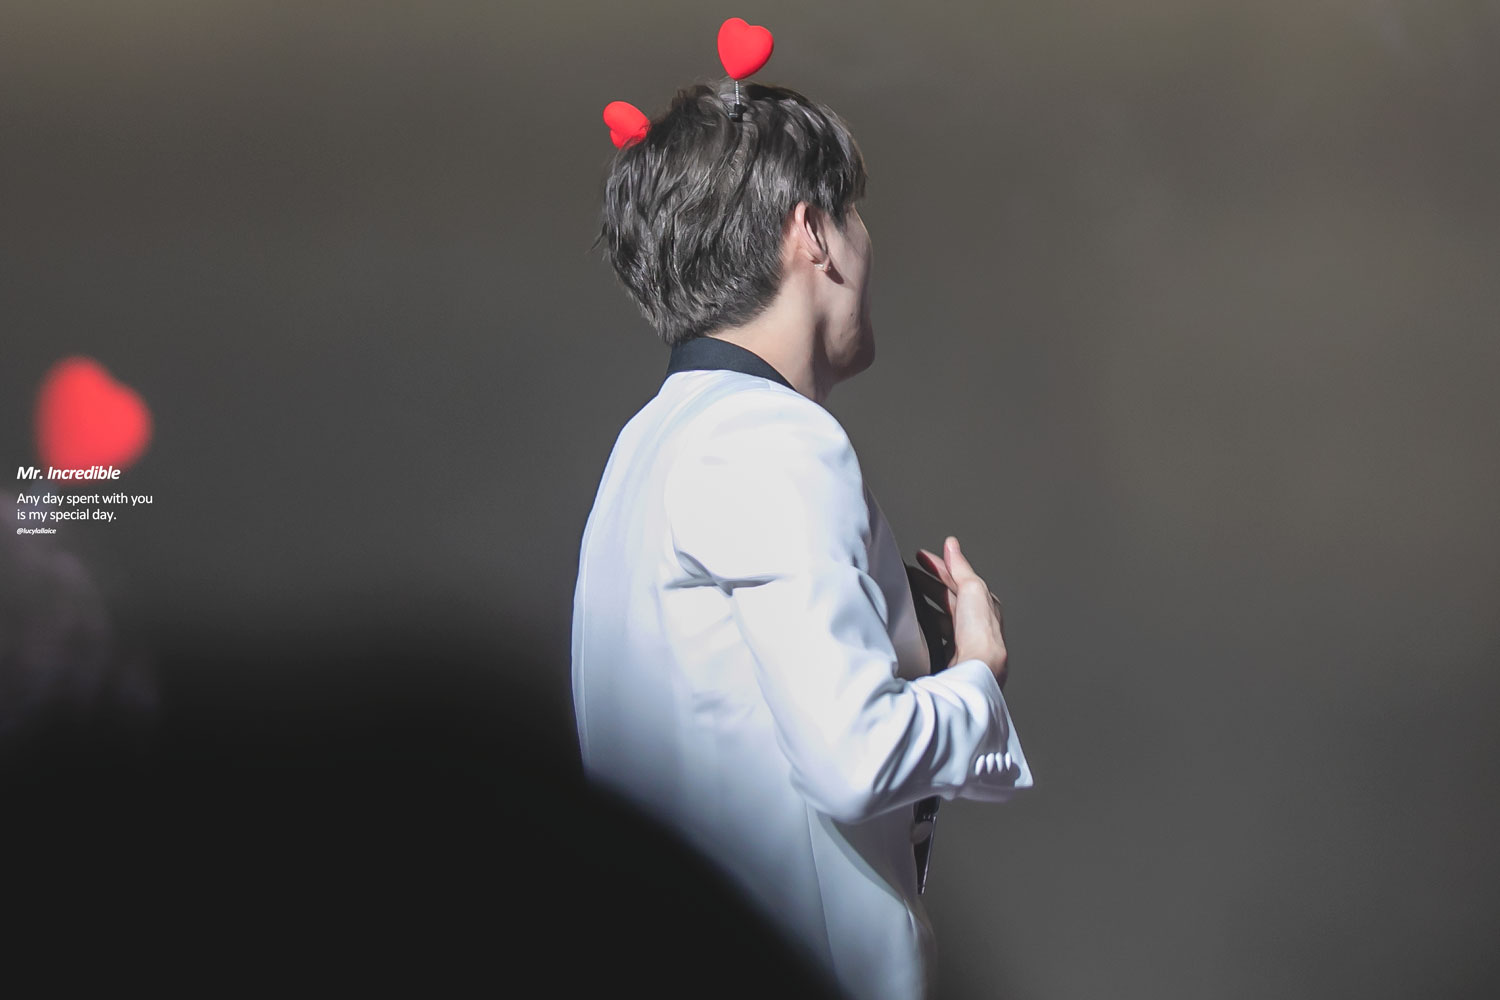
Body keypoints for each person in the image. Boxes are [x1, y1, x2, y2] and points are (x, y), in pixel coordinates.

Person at [573, 79, 1034, 1000]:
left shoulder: (646, 445)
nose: (865, 243)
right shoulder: (773, 437)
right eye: (851, 215)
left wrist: (922, 676)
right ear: (812, 233)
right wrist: (977, 678)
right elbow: (854, 757)